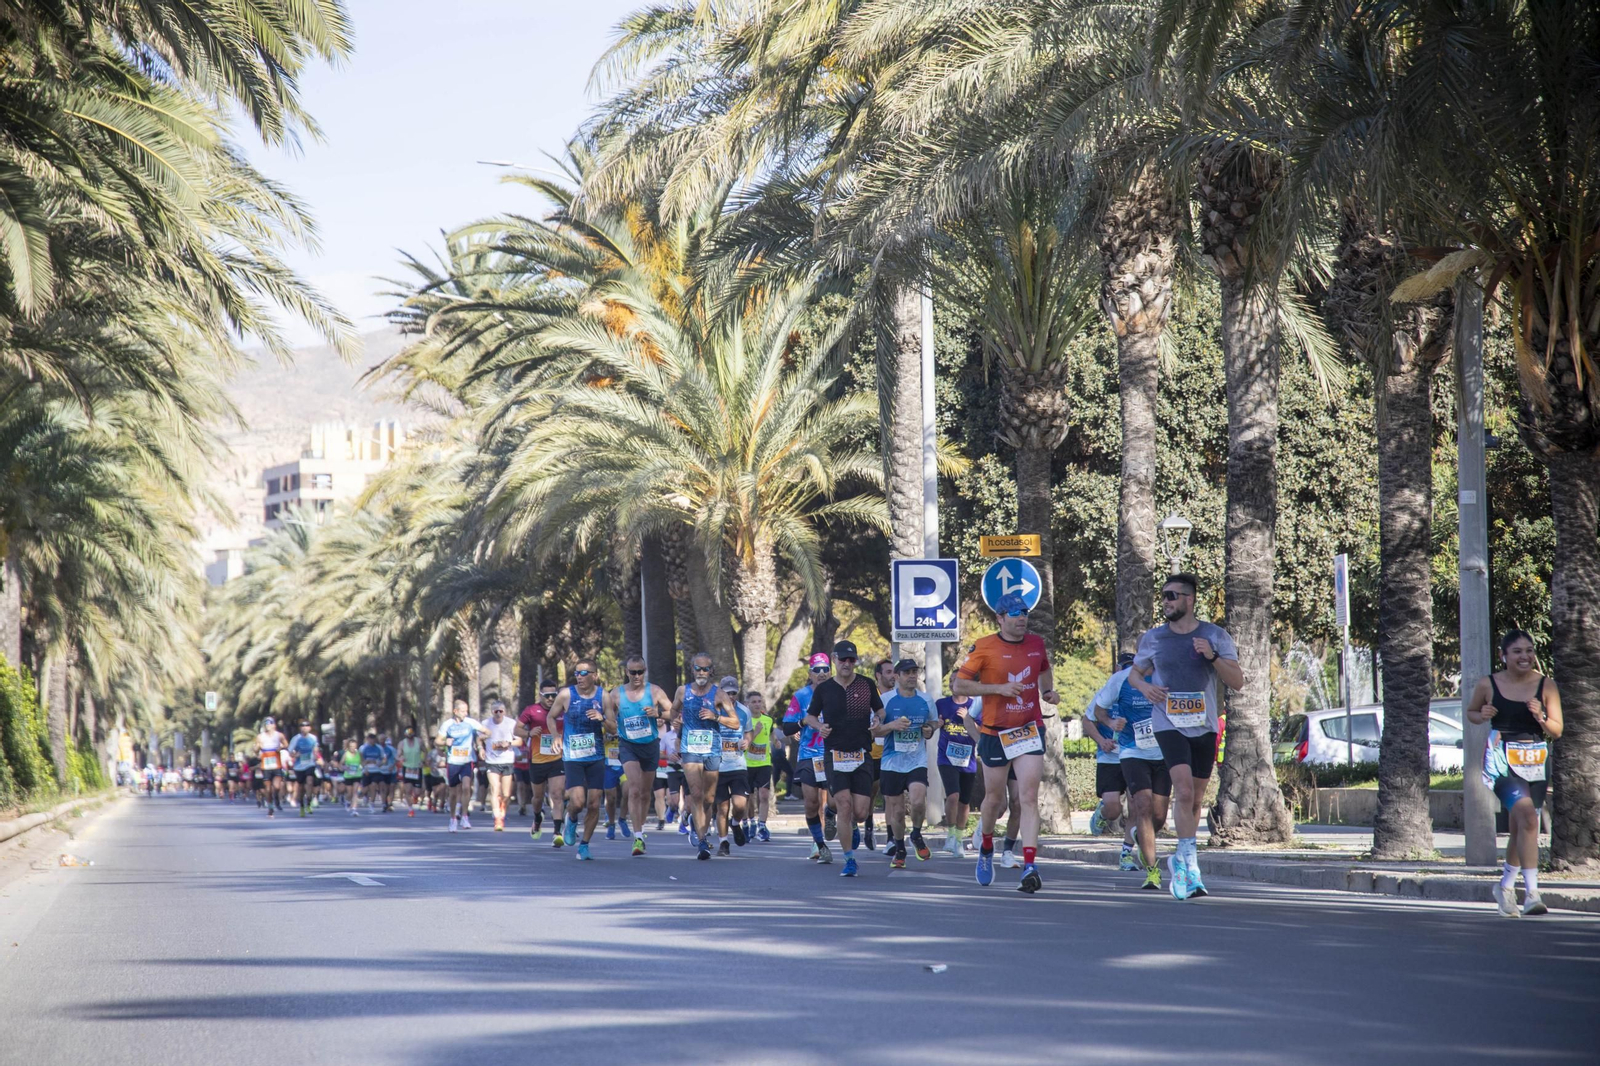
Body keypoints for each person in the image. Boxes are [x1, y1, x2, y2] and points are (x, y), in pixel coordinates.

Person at [1127, 572, 1244, 901]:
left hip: (1204, 726)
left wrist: (1212, 656)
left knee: (1195, 799)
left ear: (1189, 600)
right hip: (1168, 723)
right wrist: (1145, 687)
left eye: (1172, 596)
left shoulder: (1214, 635)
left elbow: (1237, 681)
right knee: (1183, 789)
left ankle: (1181, 855)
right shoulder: (1154, 638)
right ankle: (1190, 864)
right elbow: (1135, 674)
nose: (1165, 602)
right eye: (1163, 595)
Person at [952, 592, 1059, 894]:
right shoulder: (985, 646)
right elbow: (960, 684)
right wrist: (998, 688)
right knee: (994, 799)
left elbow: (1044, 669)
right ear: (999, 618)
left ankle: (1030, 866)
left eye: (1024, 612)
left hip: (1028, 729)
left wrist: (1047, 691)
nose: (1021, 618)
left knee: (1028, 797)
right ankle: (986, 846)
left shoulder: (1036, 643)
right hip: (995, 732)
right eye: (1014, 613)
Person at [1465, 630, 1564, 917]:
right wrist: (1482, 714)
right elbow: (1472, 712)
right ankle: (1532, 894)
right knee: (1529, 818)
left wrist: (1541, 717)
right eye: (1518, 651)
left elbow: (1557, 730)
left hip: (1535, 759)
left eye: (1529, 651)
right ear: (1504, 655)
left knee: (1522, 826)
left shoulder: (1546, 685)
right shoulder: (1488, 683)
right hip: (1501, 760)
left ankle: (1505, 887)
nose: (1525, 656)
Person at [803, 640, 884, 878]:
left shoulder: (867, 684)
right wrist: (819, 727)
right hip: (834, 754)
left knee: (860, 812)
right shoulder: (825, 689)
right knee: (845, 805)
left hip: (861, 753)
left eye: (851, 660)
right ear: (834, 660)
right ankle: (849, 859)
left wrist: (877, 719)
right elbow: (810, 717)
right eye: (842, 659)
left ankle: (840, 815)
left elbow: (880, 710)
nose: (847, 664)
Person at [1095, 653, 1170, 890]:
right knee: (1142, 805)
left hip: (1164, 752)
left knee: (1159, 816)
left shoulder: (1167, 675)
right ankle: (1153, 871)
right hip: (1132, 752)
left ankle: (1141, 835)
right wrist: (1110, 723)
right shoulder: (1121, 679)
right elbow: (1098, 710)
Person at [873, 659, 938, 868]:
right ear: (897, 676)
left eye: (914, 672)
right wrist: (892, 725)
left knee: (918, 801)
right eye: (907, 672)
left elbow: (934, 721)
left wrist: (929, 729)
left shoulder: (926, 700)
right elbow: (874, 731)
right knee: (898, 812)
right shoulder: (884, 700)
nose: (912, 676)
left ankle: (916, 834)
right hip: (891, 762)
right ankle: (900, 848)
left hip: (916, 760)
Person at [605, 656, 673, 856]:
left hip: (650, 746)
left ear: (645, 671)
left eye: (640, 672)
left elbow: (674, 713)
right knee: (634, 789)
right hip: (628, 746)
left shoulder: (655, 691)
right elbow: (609, 719)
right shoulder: (616, 694)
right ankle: (638, 837)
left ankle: (640, 829)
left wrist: (658, 713)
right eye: (632, 672)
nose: (636, 676)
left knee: (644, 793)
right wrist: (609, 727)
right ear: (626, 672)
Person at [782, 653, 836, 863]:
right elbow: (787, 727)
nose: (821, 673)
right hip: (808, 755)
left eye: (825, 669)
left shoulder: (838, 693)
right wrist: (802, 722)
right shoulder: (801, 695)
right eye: (817, 670)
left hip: (833, 754)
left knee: (834, 802)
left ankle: (830, 814)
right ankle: (819, 845)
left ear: (830, 672)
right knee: (811, 803)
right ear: (810, 673)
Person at [552, 660, 609, 860]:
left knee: (594, 804)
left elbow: (614, 726)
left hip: (596, 756)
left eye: (584, 673)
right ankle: (572, 817)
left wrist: (602, 719)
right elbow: (551, 717)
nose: (579, 676)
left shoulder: (604, 696)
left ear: (594, 675)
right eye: (577, 673)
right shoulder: (566, 694)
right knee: (577, 802)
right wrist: (556, 736)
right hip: (573, 756)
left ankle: (584, 845)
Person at [671, 653, 724, 860]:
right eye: (698, 668)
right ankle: (702, 841)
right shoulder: (682, 691)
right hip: (690, 748)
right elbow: (673, 710)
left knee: (709, 798)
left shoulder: (719, 694)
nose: (701, 672)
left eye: (705, 669)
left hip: (712, 749)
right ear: (692, 670)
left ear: (711, 671)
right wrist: (676, 722)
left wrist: (716, 717)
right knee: (696, 793)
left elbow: (735, 722)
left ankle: (698, 821)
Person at [515, 686, 566, 846]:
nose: (551, 699)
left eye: (553, 695)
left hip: (557, 759)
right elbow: (516, 729)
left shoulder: (562, 710)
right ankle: (537, 818)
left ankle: (557, 833)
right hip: (537, 760)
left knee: (557, 795)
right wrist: (528, 733)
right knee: (537, 798)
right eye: (547, 695)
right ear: (540, 695)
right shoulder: (531, 710)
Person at [712, 676, 754, 856]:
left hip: (737, 764)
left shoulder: (744, 711)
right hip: (718, 766)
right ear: (720, 692)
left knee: (740, 805)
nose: (731, 696)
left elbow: (749, 731)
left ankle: (735, 823)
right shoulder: (713, 709)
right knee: (722, 808)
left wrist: (747, 741)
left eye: (734, 693)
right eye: (727, 693)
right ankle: (723, 842)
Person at [935, 691, 979, 856]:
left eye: (958, 681)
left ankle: (959, 840)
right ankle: (951, 834)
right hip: (946, 758)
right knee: (953, 796)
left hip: (967, 760)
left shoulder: (975, 705)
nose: (955, 684)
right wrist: (936, 724)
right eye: (952, 681)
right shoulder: (941, 704)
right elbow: (930, 724)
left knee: (964, 802)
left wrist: (968, 719)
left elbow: (981, 732)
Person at [435, 699, 486, 832]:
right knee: (453, 793)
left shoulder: (470, 723)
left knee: (466, 787)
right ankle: (453, 818)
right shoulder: (448, 724)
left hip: (467, 761)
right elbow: (437, 740)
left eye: (466, 711)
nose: (465, 713)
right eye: (463, 711)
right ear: (455, 711)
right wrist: (445, 742)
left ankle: (464, 816)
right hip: (453, 762)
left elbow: (486, 732)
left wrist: (480, 746)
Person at [481, 700, 519, 831]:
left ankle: (502, 810)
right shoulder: (485, 724)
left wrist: (508, 743)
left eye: (500, 711)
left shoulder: (511, 723)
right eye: (495, 711)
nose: (498, 713)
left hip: (507, 760)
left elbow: (520, 741)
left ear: (504, 711)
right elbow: (479, 739)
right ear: (492, 712)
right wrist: (480, 748)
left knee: (506, 794)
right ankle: (497, 818)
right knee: (495, 787)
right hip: (492, 761)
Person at [744, 690, 775, 842]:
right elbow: (743, 742)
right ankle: (750, 822)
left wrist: (777, 742)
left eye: (759, 701)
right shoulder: (744, 721)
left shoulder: (768, 720)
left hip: (764, 763)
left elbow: (772, 734)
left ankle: (762, 826)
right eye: (754, 702)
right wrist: (755, 733)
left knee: (763, 795)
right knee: (748, 797)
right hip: (747, 763)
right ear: (747, 704)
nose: (757, 704)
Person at [254, 717, 290, 818]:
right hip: (266, 766)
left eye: (270, 723)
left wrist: (281, 747)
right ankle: (270, 807)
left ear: (274, 725)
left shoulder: (279, 735)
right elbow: (255, 750)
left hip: (276, 765)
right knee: (268, 789)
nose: (268, 726)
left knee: (277, 787)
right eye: (266, 724)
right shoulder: (260, 737)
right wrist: (258, 747)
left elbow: (286, 744)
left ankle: (276, 798)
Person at [287, 721, 321, 817]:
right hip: (299, 766)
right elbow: (290, 752)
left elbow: (315, 748)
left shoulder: (313, 738)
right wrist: (295, 755)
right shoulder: (296, 738)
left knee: (310, 781)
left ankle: (309, 802)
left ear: (310, 728)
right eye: (302, 726)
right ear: (300, 728)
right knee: (301, 787)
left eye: (307, 726)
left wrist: (316, 754)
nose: (305, 727)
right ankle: (302, 806)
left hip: (310, 764)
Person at [397, 726, 426, 817]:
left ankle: (415, 797)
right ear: (405, 734)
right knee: (408, 790)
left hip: (417, 768)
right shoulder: (402, 743)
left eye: (411, 733)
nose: (409, 735)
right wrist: (401, 758)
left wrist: (423, 761)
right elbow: (398, 755)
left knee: (417, 792)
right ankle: (410, 810)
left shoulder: (419, 741)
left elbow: (425, 751)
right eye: (408, 733)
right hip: (407, 768)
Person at [358, 731, 387, 813]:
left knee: (374, 786)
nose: (372, 741)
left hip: (376, 770)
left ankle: (372, 804)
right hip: (367, 770)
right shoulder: (363, 748)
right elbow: (361, 760)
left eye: (374, 740)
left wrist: (380, 763)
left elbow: (384, 759)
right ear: (367, 739)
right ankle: (362, 795)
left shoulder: (379, 748)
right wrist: (364, 768)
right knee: (366, 788)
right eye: (371, 740)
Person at [339, 740, 362, 813]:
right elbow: (341, 764)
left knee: (355, 792)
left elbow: (362, 762)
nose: (352, 748)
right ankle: (347, 801)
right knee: (350, 793)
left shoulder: (359, 753)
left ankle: (354, 809)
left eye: (354, 746)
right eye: (351, 746)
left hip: (357, 774)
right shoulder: (346, 754)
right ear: (348, 747)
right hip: (348, 775)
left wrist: (364, 767)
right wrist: (344, 767)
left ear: (356, 746)